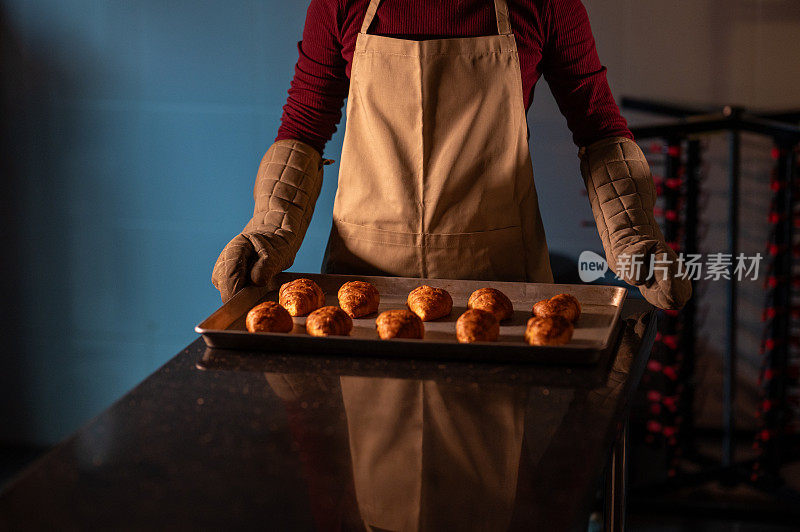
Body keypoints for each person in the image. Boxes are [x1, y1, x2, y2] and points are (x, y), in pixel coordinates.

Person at [212, 0, 691, 310]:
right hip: (363, 292)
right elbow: (304, 128)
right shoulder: (341, 3)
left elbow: (600, 129)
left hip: (503, 291)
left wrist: (633, 236)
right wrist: (268, 231)